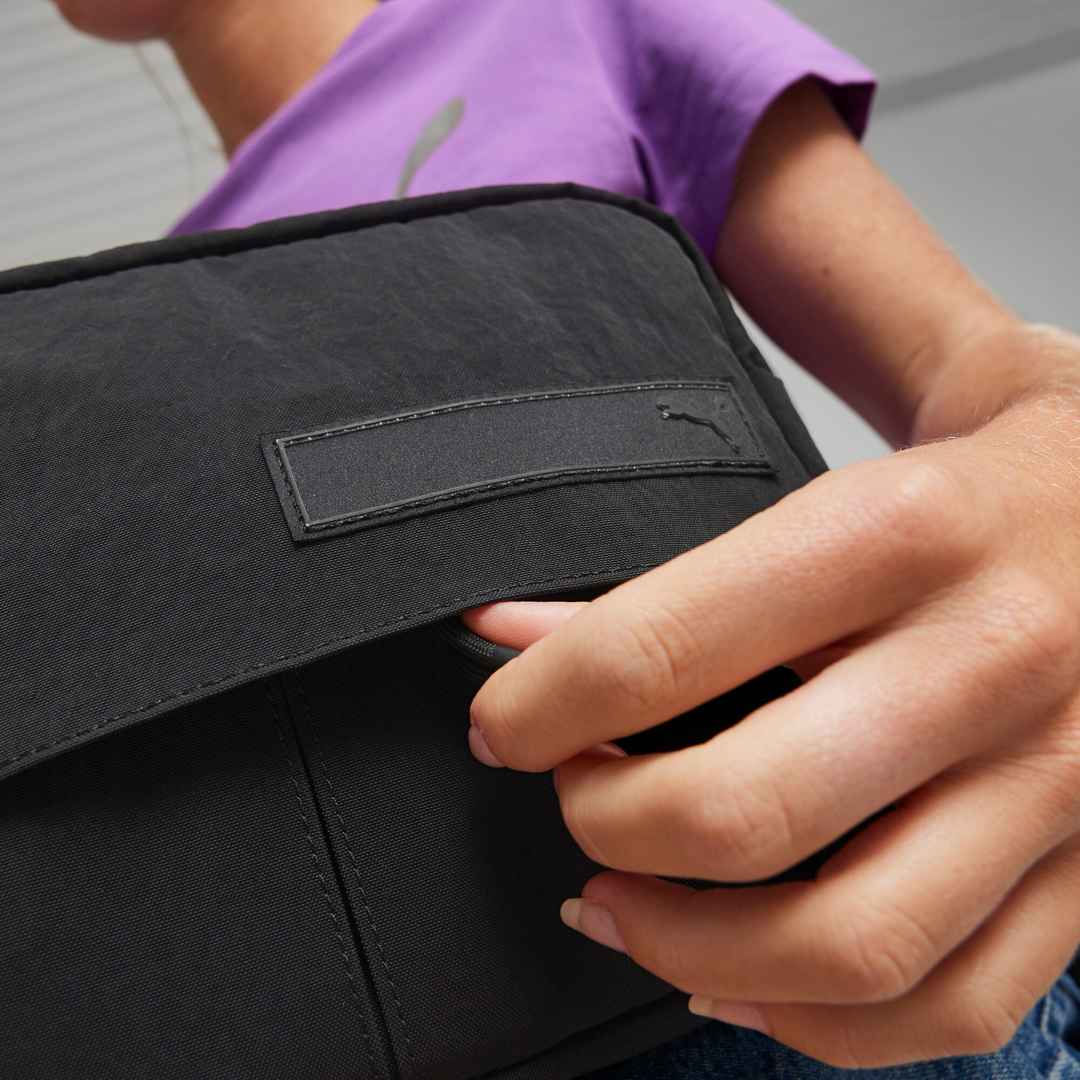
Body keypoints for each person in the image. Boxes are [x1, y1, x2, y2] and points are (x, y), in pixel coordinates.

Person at [52, 1, 1080, 1077]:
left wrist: (1056, 480)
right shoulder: (128, 313)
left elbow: (971, 360)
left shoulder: (578, 18)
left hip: (791, 984)